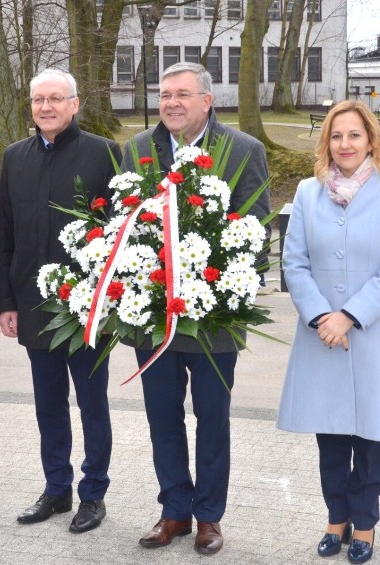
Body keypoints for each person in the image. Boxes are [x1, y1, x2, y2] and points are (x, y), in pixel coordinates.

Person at [121, 62, 270, 556]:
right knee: (162, 418)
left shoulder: (243, 150)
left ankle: (209, 517)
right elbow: (123, 229)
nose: (171, 103)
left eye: (182, 94)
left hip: (213, 321)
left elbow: (257, 230)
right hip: (153, 319)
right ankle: (174, 512)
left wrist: (227, 289)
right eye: (165, 94)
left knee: (212, 418)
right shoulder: (138, 150)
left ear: (208, 101)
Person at [277, 100, 380, 564]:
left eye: (355, 135)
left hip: (369, 334)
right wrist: (321, 315)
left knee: (368, 438)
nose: (345, 144)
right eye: (337, 136)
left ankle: (367, 525)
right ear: (327, 143)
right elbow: (294, 263)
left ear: (371, 140)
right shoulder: (306, 193)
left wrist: (349, 316)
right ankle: (336, 519)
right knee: (331, 437)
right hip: (321, 336)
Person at [0, 69, 121, 534]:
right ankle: (56, 488)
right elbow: (5, 233)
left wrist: (111, 303)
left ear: (75, 103)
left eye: (55, 99)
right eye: (37, 100)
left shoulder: (105, 153)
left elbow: (122, 234)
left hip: (88, 308)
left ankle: (93, 493)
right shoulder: (15, 157)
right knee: (48, 405)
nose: (45, 107)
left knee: (92, 404)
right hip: (32, 303)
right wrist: (5, 301)